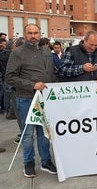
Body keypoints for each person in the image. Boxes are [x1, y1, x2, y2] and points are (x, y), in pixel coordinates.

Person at [5, 23, 58, 178]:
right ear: (25, 34)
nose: (33, 36)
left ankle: (46, 161)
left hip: (45, 99)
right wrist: (32, 85)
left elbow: (52, 73)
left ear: (40, 34)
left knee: (43, 133)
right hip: (25, 99)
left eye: (36, 33)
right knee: (27, 134)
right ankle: (28, 163)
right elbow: (10, 77)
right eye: (30, 33)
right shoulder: (17, 53)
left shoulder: (47, 52)